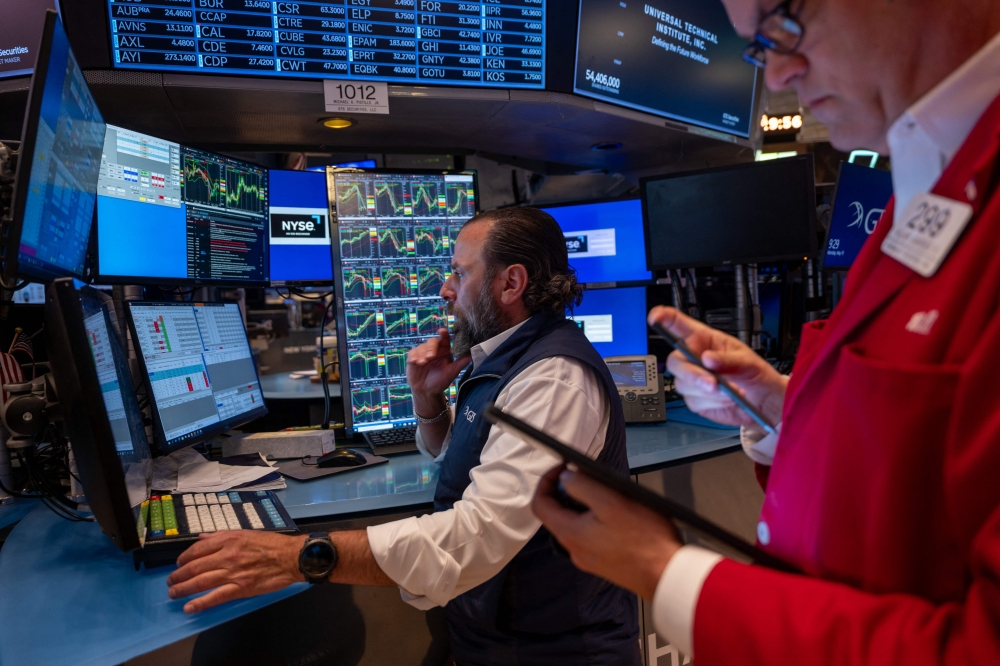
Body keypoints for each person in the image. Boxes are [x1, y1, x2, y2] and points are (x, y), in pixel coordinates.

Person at [533, 0, 1000, 664]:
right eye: (760, 48)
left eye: (784, 21)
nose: (779, 75)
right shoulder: (930, 178)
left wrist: (665, 575)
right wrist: (787, 408)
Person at [167, 208, 641, 665]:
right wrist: (428, 402)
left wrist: (301, 556)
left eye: (459, 272)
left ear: (510, 283)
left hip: (557, 650)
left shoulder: (553, 379)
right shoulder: (508, 357)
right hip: (502, 636)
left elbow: (474, 537)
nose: (445, 289)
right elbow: (465, 453)